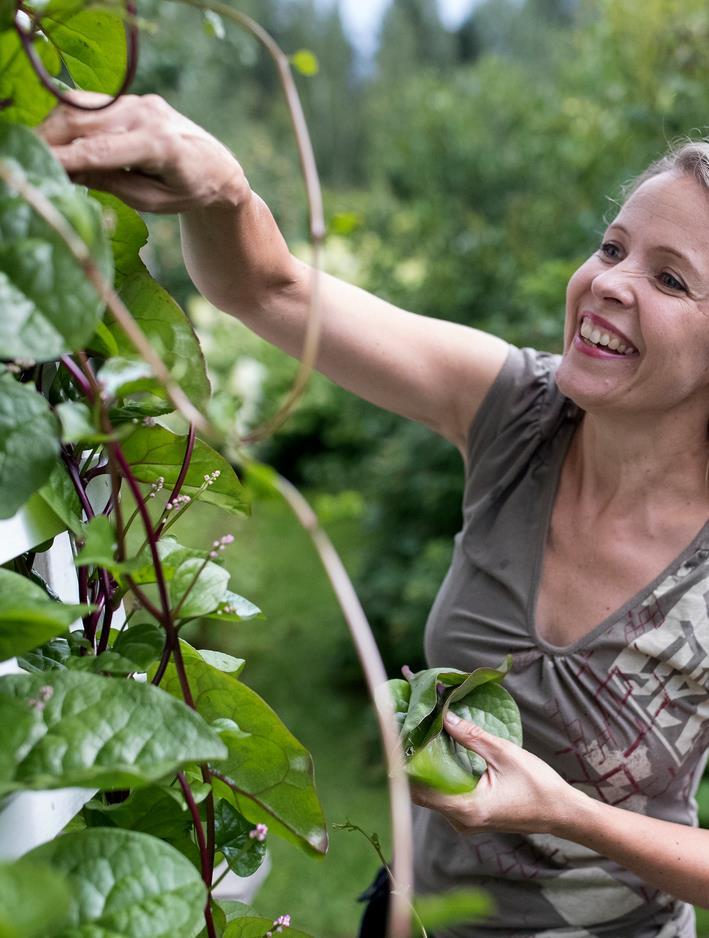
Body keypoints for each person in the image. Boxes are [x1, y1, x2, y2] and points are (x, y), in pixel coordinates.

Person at [39, 92, 709, 938]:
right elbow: (269, 287)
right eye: (611, 247)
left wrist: (571, 814)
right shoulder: (517, 413)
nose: (608, 283)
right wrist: (224, 193)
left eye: (669, 277)